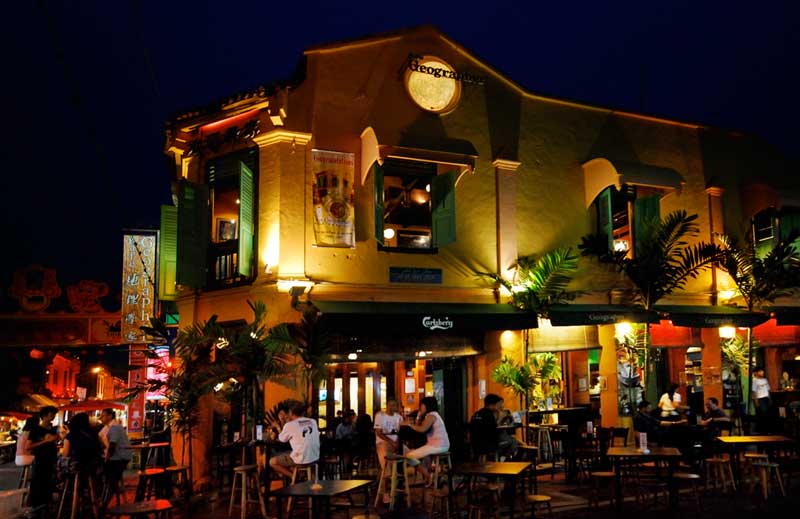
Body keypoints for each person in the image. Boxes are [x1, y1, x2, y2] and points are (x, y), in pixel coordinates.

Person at [400, 396, 450, 484]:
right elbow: (420, 427)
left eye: (421, 405)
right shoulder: (433, 415)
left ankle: (429, 477)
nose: (420, 407)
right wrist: (419, 416)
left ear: (426, 405)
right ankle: (430, 476)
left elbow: (422, 429)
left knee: (408, 456)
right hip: (439, 445)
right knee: (412, 454)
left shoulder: (431, 415)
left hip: (437, 446)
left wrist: (409, 424)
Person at [269, 401, 320, 479]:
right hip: (315, 457)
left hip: (301, 459)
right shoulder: (313, 421)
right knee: (290, 454)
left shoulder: (290, 425)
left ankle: (294, 477)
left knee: (272, 461)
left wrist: (279, 427)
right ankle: (302, 476)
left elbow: (282, 439)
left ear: (290, 412)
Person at [26, 406, 59, 510]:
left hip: (52, 458)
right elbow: (28, 446)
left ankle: (46, 504)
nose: (53, 416)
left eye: (54, 414)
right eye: (51, 414)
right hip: (40, 459)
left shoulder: (53, 429)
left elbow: (54, 442)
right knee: (38, 482)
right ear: (44, 416)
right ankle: (35, 505)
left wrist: (56, 439)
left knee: (49, 482)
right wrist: (45, 441)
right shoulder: (35, 429)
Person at [99, 408, 132, 507]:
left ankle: (104, 504)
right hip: (118, 457)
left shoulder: (115, 427)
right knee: (108, 476)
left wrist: (107, 457)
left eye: (103, 415)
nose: (101, 418)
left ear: (110, 416)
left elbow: (112, 445)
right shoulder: (108, 427)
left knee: (109, 478)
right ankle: (107, 498)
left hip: (119, 458)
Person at [469, 394, 503, 459]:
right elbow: (494, 429)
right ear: (493, 404)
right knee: (511, 442)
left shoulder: (477, 413)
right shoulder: (489, 414)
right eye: (498, 404)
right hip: (487, 445)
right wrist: (500, 416)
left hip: (475, 444)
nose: (499, 406)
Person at [374, 399, 402, 469]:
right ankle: (387, 475)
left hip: (396, 443)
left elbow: (400, 432)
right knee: (386, 457)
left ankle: (426, 475)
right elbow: (378, 433)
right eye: (389, 405)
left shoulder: (399, 417)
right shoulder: (380, 415)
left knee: (411, 455)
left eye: (393, 405)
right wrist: (391, 441)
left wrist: (397, 442)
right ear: (386, 406)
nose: (391, 407)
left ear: (397, 407)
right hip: (383, 442)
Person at [752, 367, 771, 432]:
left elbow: (768, 390)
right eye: (760, 371)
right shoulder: (755, 381)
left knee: (766, 414)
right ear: (756, 373)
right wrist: (756, 401)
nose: (762, 372)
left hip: (766, 398)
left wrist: (769, 398)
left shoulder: (765, 380)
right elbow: (754, 391)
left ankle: (765, 429)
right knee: (762, 414)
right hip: (760, 399)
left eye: (762, 371)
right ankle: (761, 430)